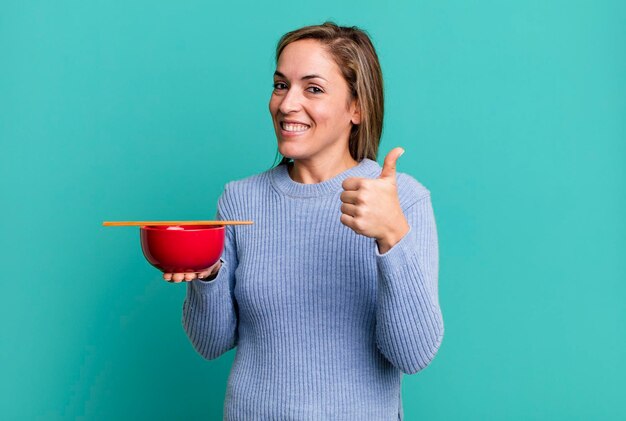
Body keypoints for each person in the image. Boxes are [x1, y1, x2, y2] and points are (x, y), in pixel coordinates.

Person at [164, 21, 444, 420]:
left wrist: (391, 237)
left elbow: (413, 355)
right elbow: (209, 344)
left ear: (357, 108)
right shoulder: (240, 200)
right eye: (281, 85)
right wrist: (206, 275)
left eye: (312, 89)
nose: (287, 104)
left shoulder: (403, 200)